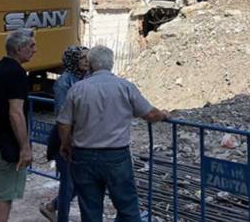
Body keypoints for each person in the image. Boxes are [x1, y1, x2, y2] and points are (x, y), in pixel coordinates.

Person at [57, 46, 169, 222]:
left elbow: (63, 122)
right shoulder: (125, 87)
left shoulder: (78, 89)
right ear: (111, 64)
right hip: (116, 156)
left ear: (91, 65)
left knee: (90, 210)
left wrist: (66, 145)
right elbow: (150, 114)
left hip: (83, 156)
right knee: (128, 209)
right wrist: (163, 114)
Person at [0, 28, 37, 222]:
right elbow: (15, 113)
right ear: (19, 49)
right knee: (5, 198)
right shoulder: (16, 73)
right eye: (31, 46)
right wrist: (25, 147)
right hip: (6, 147)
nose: (35, 50)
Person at [40, 45, 90, 222]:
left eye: (87, 57)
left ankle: (52, 207)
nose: (86, 60)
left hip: (85, 137)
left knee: (81, 181)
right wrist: (66, 141)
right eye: (82, 57)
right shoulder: (64, 82)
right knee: (68, 183)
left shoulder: (90, 77)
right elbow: (62, 114)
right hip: (67, 136)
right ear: (73, 60)